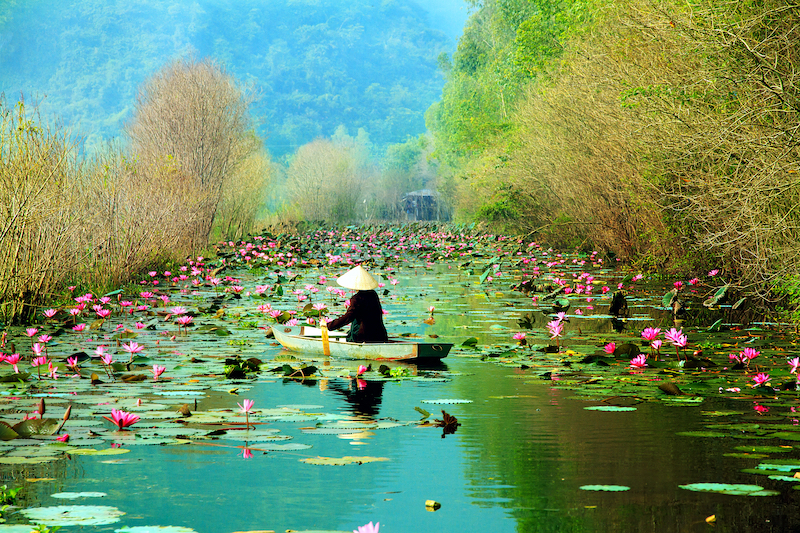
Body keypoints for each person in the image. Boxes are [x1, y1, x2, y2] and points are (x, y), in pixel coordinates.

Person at [325, 265, 389, 343]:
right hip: (380, 336)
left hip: (364, 337)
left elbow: (348, 317)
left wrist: (329, 326)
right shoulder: (373, 294)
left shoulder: (357, 299)